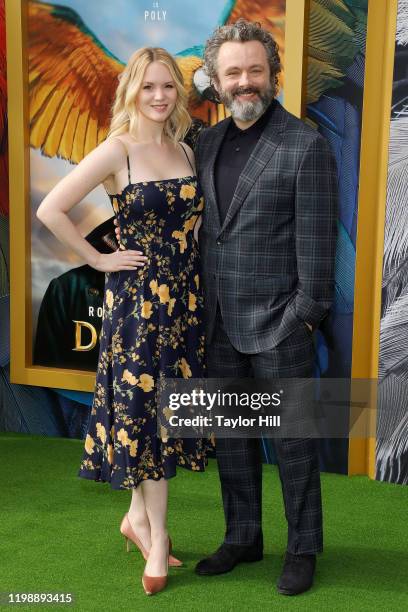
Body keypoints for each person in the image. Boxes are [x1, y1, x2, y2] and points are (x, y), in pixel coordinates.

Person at [36, 46, 209, 596]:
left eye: (168, 87)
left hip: (182, 306)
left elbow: (195, 227)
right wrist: (100, 259)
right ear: (131, 91)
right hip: (136, 308)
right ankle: (157, 538)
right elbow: (50, 209)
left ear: (180, 94)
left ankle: (135, 519)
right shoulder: (118, 151)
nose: (159, 96)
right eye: (149, 86)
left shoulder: (184, 148)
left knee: (155, 417)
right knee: (149, 420)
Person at [192, 19, 338, 596]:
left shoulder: (304, 144)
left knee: (296, 445)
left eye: (255, 70)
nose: (245, 82)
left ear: (274, 74)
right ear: (217, 80)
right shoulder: (205, 143)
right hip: (218, 322)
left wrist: (302, 317)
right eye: (234, 72)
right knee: (231, 438)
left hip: (282, 325)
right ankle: (243, 537)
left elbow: (319, 251)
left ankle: (302, 548)